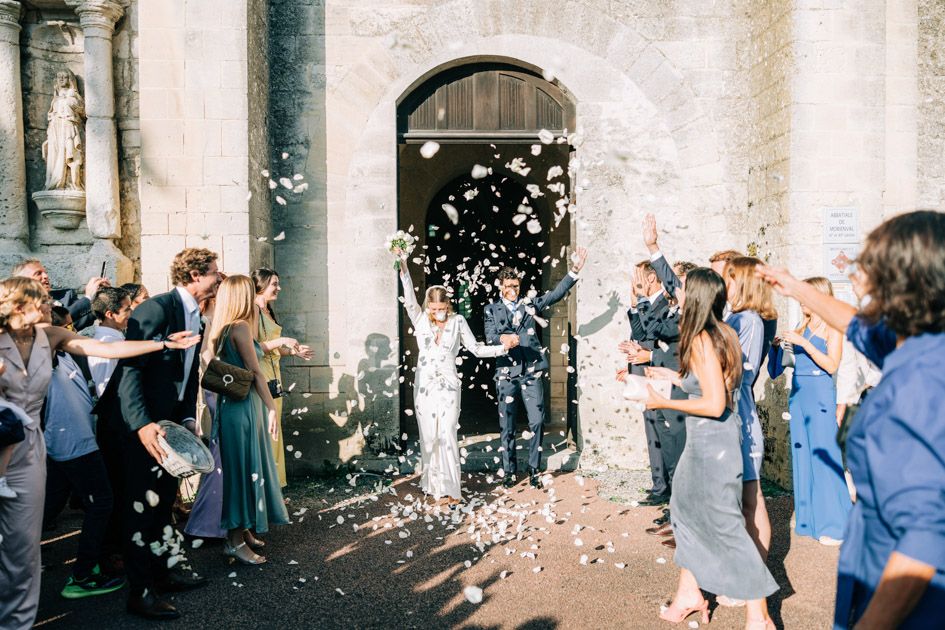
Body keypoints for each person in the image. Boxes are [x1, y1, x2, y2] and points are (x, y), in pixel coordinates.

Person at [757, 210, 945, 629]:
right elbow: (852, 321)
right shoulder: (904, 341)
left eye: (869, 263)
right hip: (868, 562)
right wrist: (795, 287)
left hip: (902, 595)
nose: (856, 273)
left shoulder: (927, 376)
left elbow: (925, 535)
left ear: (907, 277)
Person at [0, 276, 200, 629]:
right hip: (3, 443)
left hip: (31, 445)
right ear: (20, 307)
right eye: (43, 300)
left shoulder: (51, 335)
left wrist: (162, 344)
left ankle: (17, 620)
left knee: (24, 541)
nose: (51, 304)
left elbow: (106, 349)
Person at [643, 268, 778, 629]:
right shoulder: (725, 333)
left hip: (709, 443)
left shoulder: (703, 338)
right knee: (684, 513)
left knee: (727, 527)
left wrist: (663, 402)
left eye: (684, 289)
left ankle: (759, 616)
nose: (679, 293)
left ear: (696, 297)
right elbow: (712, 383)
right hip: (717, 440)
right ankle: (689, 593)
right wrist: (672, 376)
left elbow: (716, 403)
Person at [94, 248, 219, 621]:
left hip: (167, 423)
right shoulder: (155, 309)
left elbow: (188, 372)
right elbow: (130, 371)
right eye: (215, 271)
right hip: (133, 425)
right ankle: (141, 592)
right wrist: (142, 425)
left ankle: (164, 573)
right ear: (195, 275)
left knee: (164, 501)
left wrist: (188, 418)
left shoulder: (197, 317)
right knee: (138, 507)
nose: (219, 277)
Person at [398, 253, 510, 504]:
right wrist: (403, 266)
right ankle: (432, 484)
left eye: (442, 309)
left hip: (449, 385)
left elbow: (476, 349)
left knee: (447, 432)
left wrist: (503, 348)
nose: (438, 313)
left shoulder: (458, 321)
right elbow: (409, 300)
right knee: (429, 436)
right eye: (434, 309)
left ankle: (452, 489)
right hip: (425, 386)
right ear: (428, 307)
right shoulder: (420, 320)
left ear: (448, 305)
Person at [484, 247, 587, 489]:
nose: (512, 290)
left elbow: (555, 295)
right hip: (506, 373)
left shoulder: (529, 304)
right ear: (500, 287)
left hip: (531, 372)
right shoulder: (491, 310)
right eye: (508, 286)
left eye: (515, 286)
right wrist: (503, 339)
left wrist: (574, 270)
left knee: (537, 421)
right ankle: (509, 471)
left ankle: (533, 469)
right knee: (507, 425)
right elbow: (489, 337)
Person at [205, 275, 290, 564]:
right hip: (244, 408)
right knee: (242, 474)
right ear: (242, 297)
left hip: (233, 406)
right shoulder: (240, 327)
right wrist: (271, 407)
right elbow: (255, 372)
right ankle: (234, 541)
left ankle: (242, 531)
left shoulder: (224, 327)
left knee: (242, 470)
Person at [42, 306, 125, 599]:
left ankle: (16, 556)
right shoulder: (46, 357)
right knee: (102, 502)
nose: (73, 332)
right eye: (67, 328)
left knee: (49, 505)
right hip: (72, 444)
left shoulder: (65, 356)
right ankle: (83, 574)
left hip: (72, 442)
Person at [767, 277, 850, 545]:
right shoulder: (801, 326)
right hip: (798, 395)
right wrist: (777, 347)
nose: (800, 300)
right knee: (802, 456)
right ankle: (809, 519)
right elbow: (788, 364)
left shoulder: (833, 327)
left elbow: (832, 365)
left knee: (824, 456)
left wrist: (805, 344)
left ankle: (836, 525)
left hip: (820, 395)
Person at [722, 257, 777, 569]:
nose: (724, 284)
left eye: (729, 278)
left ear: (741, 282)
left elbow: (742, 372)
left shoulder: (751, 322)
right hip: (729, 409)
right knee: (737, 502)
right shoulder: (735, 317)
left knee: (751, 501)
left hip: (740, 413)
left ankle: (755, 577)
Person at [251, 268, 314, 488]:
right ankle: (265, 487)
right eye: (274, 284)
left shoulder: (268, 310)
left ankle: (274, 486)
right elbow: (252, 348)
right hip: (261, 376)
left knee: (274, 431)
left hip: (274, 376)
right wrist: (281, 341)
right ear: (260, 286)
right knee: (267, 431)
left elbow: (273, 350)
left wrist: (293, 352)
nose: (279, 288)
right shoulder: (253, 311)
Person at [623, 260, 672, 504]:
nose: (634, 282)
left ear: (651, 278)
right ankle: (660, 485)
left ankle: (666, 488)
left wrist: (646, 354)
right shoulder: (647, 303)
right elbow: (640, 335)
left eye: (638, 277)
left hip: (660, 375)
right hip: (644, 374)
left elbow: (656, 337)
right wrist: (634, 306)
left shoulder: (665, 303)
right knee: (652, 431)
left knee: (664, 433)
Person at [12, 257, 107, 331]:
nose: (45, 276)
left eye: (45, 273)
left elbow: (81, 319)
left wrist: (100, 298)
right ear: (23, 281)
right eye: (38, 273)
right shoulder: (18, 304)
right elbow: (54, 322)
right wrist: (88, 297)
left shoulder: (66, 296)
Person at [87, 286, 131, 397]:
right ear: (110, 315)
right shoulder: (105, 345)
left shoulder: (116, 337)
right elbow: (106, 390)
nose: (132, 311)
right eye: (127, 309)